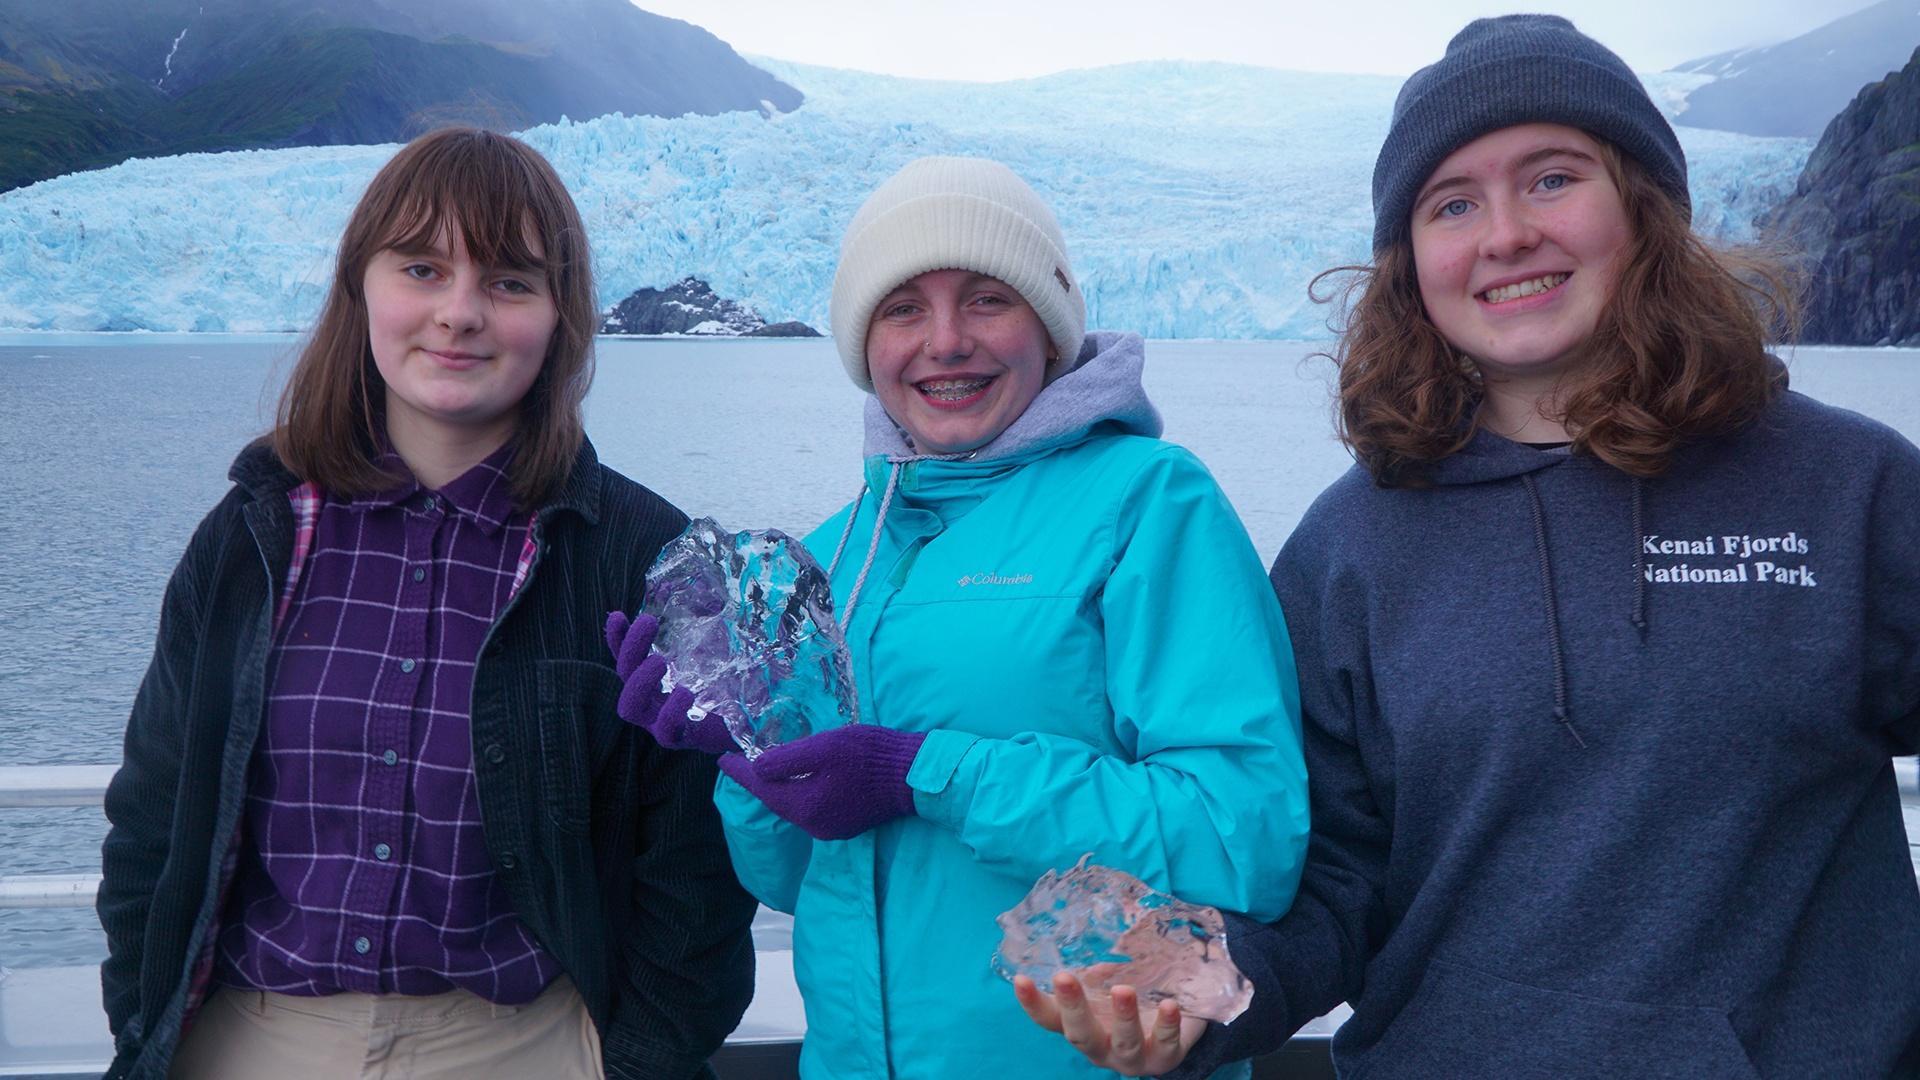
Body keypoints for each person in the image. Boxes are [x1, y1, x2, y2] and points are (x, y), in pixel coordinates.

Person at [1019, 15, 1920, 1078]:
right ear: (1412, 264)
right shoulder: (1350, 550)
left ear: (1645, 207)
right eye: (1453, 204)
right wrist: (1199, 1002)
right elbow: (1331, 884)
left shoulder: (1845, 489)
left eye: (1551, 179)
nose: (1504, 236)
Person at [607, 155, 1310, 1078]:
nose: (944, 341)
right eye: (903, 309)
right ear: (865, 343)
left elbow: (1241, 837)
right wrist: (743, 760)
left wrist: (922, 773)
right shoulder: (835, 552)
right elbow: (798, 880)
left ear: (1050, 328)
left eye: (987, 299)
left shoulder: (1151, 505)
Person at [96, 127, 756, 1080]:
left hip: (529, 1046)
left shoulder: (636, 553)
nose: (459, 314)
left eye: (510, 282)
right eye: (421, 267)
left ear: (559, 317)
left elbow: (693, 866)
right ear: (361, 286)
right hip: (252, 1040)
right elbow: (157, 814)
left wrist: (640, 1060)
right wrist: (144, 1024)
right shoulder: (251, 537)